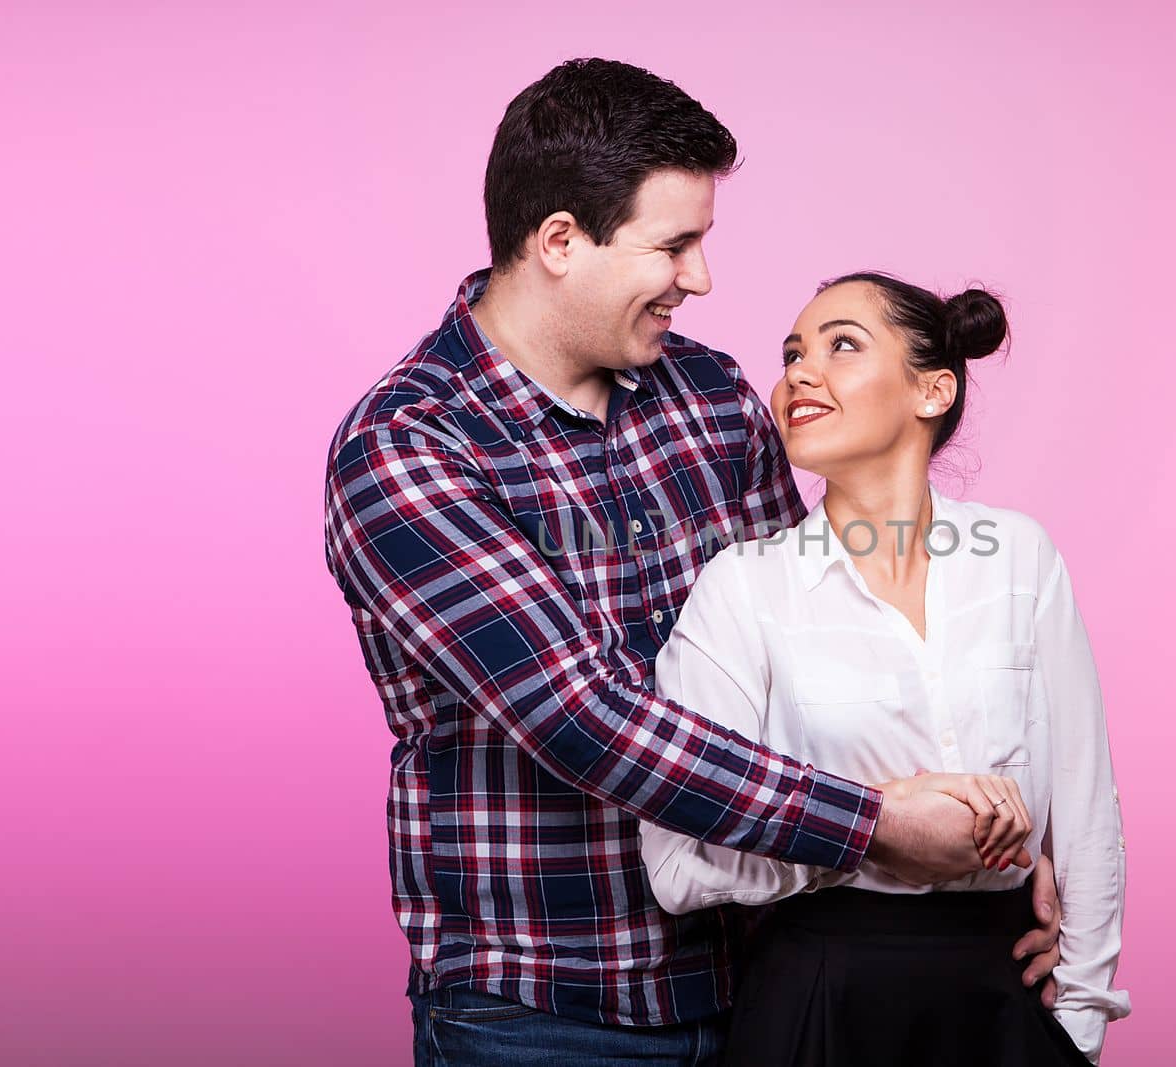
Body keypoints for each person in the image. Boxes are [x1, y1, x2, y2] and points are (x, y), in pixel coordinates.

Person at [323, 59, 1065, 1067]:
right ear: (558, 242)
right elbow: (586, 720)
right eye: (674, 244)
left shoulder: (712, 397)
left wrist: (1012, 844)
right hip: (546, 1012)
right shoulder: (409, 445)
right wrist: (882, 825)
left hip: (771, 987)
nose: (700, 278)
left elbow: (821, 652)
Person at [638, 272, 1132, 1065]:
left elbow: (1085, 810)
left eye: (841, 345)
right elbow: (677, 860)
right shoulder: (744, 586)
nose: (800, 370)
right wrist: (873, 828)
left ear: (932, 390)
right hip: (818, 1001)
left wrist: (1077, 1023)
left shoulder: (1018, 557)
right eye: (793, 352)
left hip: (1002, 1000)